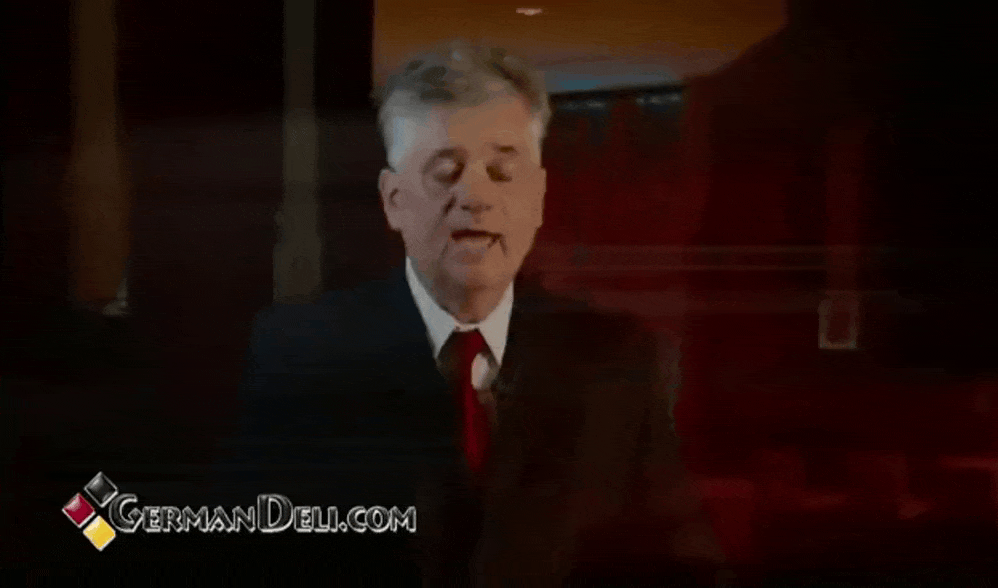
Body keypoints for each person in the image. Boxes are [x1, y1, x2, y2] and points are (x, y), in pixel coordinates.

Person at [213, 39, 724, 585]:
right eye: (445, 171)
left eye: (502, 171)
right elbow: (257, 555)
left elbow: (678, 561)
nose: (475, 198)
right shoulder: (305, 353)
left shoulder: (613, 357)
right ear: (393, 200)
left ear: (538, 197)